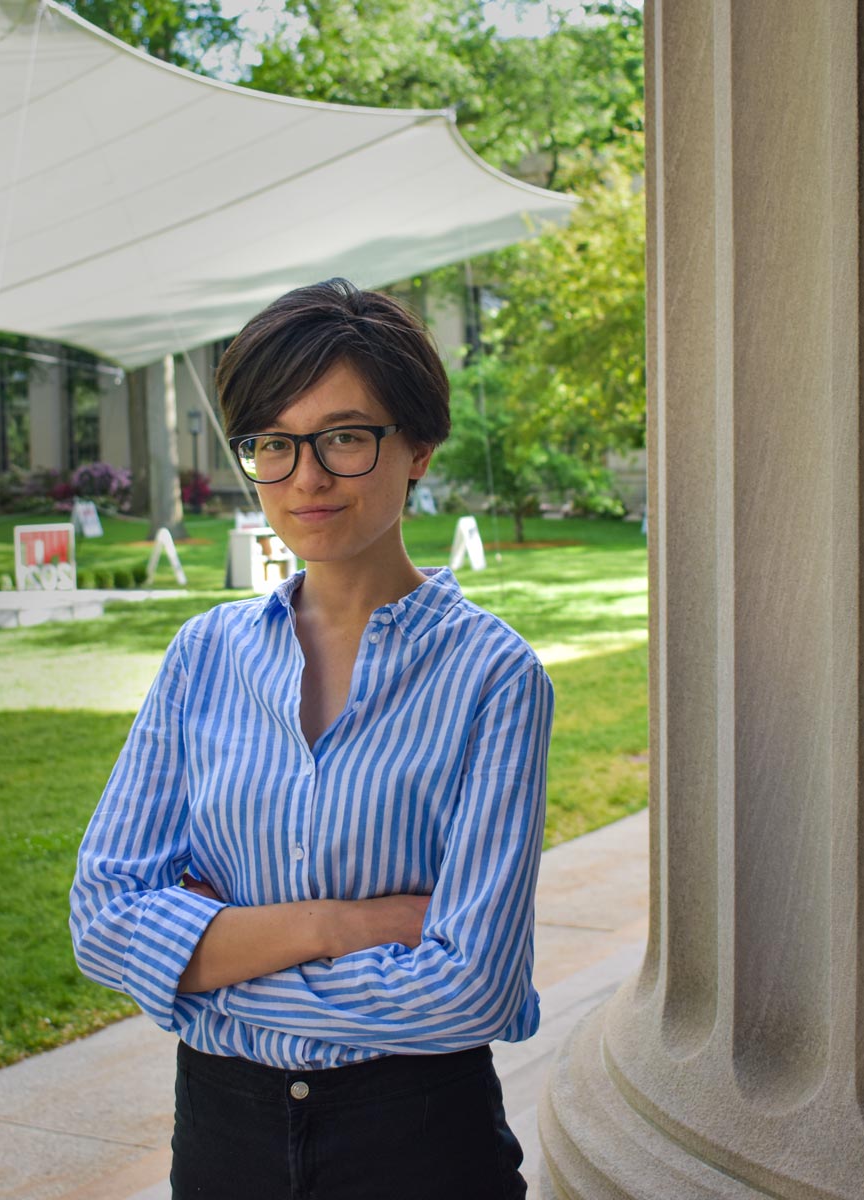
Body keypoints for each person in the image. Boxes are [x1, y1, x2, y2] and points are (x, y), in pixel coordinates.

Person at [70, 278, 554, 1199]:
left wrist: (200, 960)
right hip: (221, 1140)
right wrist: (359, 923)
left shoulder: (495, 678)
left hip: (417, 1144)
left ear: (418, 447)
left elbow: (473, 990)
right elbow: (102, 922)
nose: (305, 477)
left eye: (343, 436)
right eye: (273, 444)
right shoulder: (201, 656)